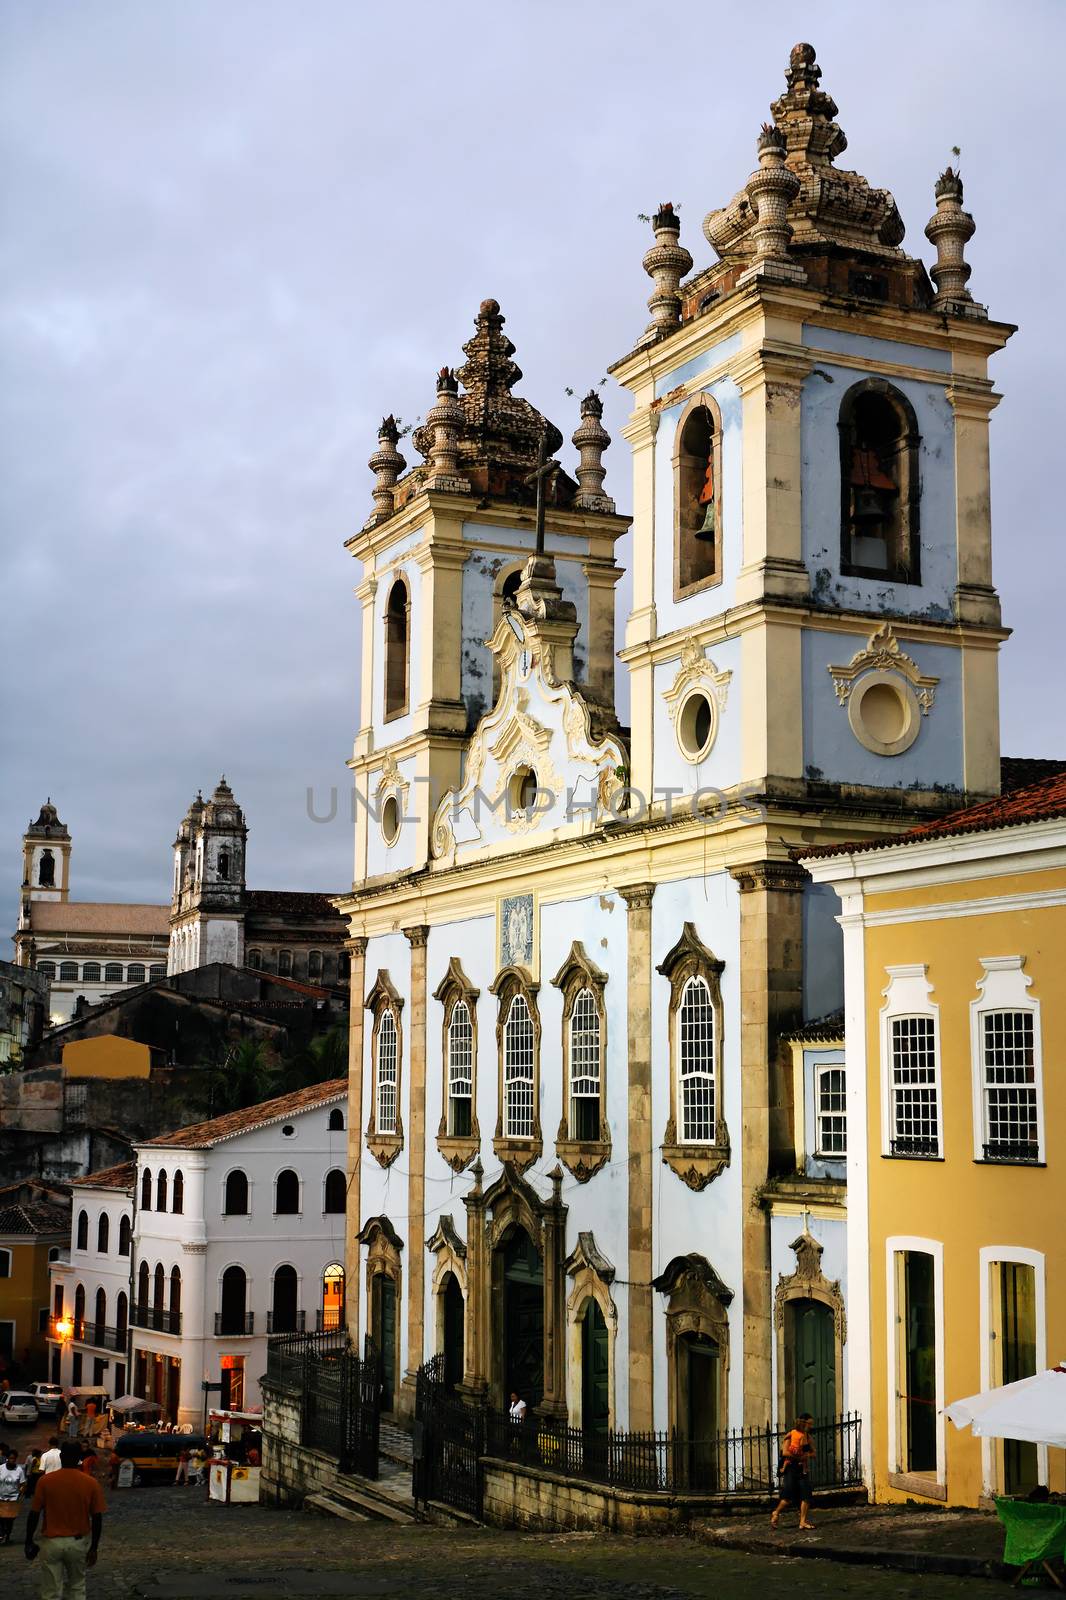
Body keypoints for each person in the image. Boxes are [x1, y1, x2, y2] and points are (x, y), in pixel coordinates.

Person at [24, 1440, 106, 1595]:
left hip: (51, 1542)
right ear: (79, 1458)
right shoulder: (91, 1483)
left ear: (61, 1456)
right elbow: (97, 1518)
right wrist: (94, 1547)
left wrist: (29, 1540)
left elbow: (34, 1513)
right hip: (78, 1542)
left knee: (51, 1590)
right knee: (77, 1587)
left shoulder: (45, 1481)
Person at [771, 1413, 816, 1531]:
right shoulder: (791, 1435)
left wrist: (808, 1455)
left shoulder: (808, 1438)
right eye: (810, 1424)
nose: (811, 1426)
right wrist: (799, 1457)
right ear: (803, 1423)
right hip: (791, 1468)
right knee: (788, 1496)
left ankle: (802, 1521)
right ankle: (776, 1512)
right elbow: (785, 1452)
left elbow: (813, 1453)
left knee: (806, 1494)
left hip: (803, 1469)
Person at [0, 1446, 26, 1546]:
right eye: (10, 1458)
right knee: (1, 1518)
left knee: (10, 1520)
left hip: (13, 1499)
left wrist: (21, 1492)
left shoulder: (19, 1470)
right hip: (1, 1498)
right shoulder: (1, 1468)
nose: (12, 1460)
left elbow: (23, 1484)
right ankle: (2, 1533)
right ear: (7, 1458)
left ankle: (8, 1537)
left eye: (13, 1459)